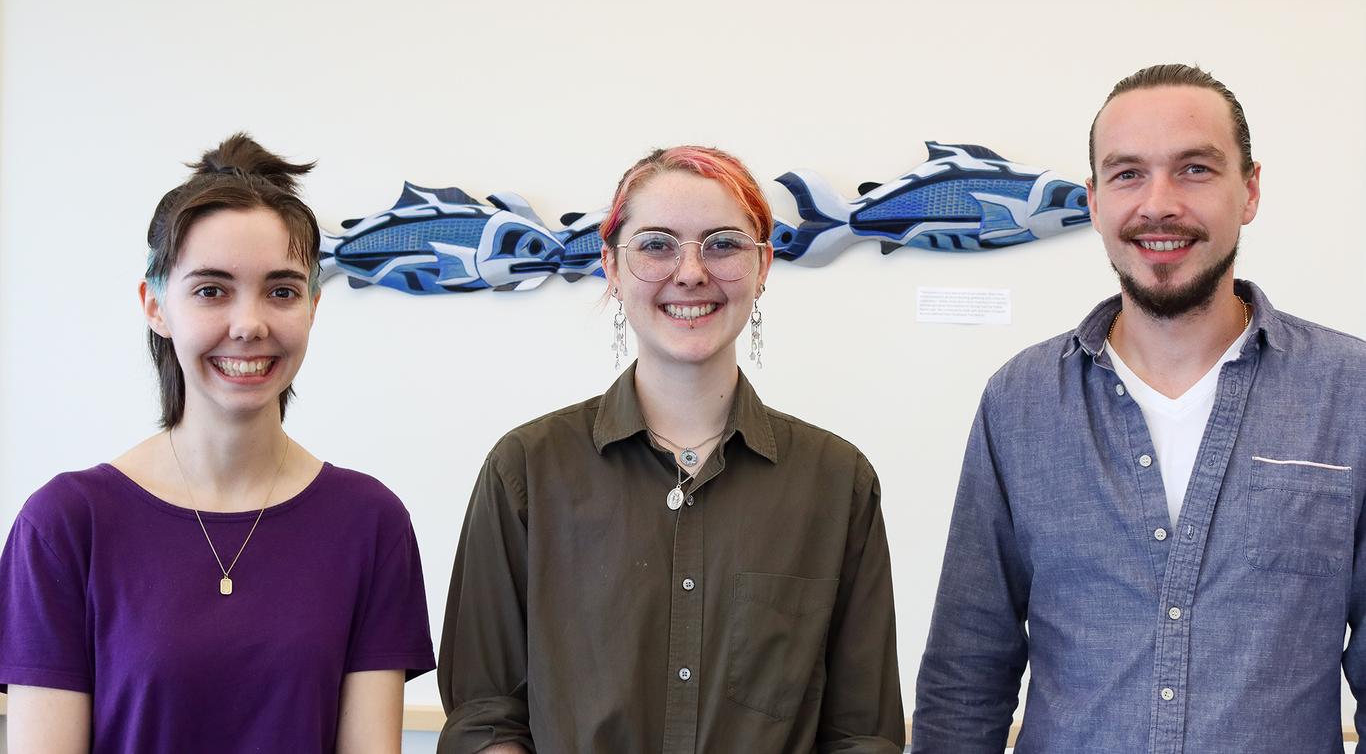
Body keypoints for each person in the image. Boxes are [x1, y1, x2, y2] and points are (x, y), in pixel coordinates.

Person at [913, 64, 1366, 752]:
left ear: (1249, 192)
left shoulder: (1349, 392)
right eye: (1128, 174)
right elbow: (966, 673)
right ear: (1094, 202)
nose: (1158, 204)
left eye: (1194, 170)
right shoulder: (1022, 401)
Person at [437, 146, 904, 753]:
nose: (690, 272)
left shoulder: (836, 481)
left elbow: (861, 734)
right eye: (656, 245)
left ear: (763, 267)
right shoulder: (526, 469)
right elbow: (483, 716)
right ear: (611, 265)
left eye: (723, 244)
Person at [0, 134, 435, 753]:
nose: (249, 324)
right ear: (155, 304)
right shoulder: (64, 525)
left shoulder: (371, 523)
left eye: (281, 290)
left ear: (313, 305)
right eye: (211, 290)